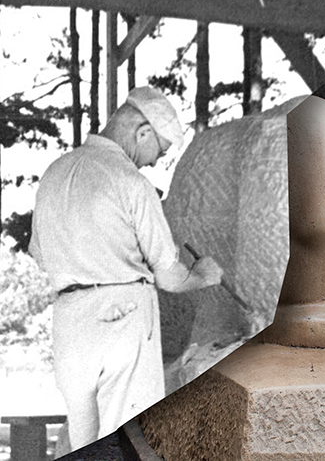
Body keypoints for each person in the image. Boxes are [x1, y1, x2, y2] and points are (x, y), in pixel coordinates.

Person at [29, 86, 223, 452]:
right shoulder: (130, 182)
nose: (153, 162)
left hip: (69, 322)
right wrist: (203, 274)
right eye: (159, 151)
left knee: (81, 440)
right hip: (123, 315)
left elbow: (41, 257)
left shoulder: (54, 175)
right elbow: (169, 276)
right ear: (143, 132)